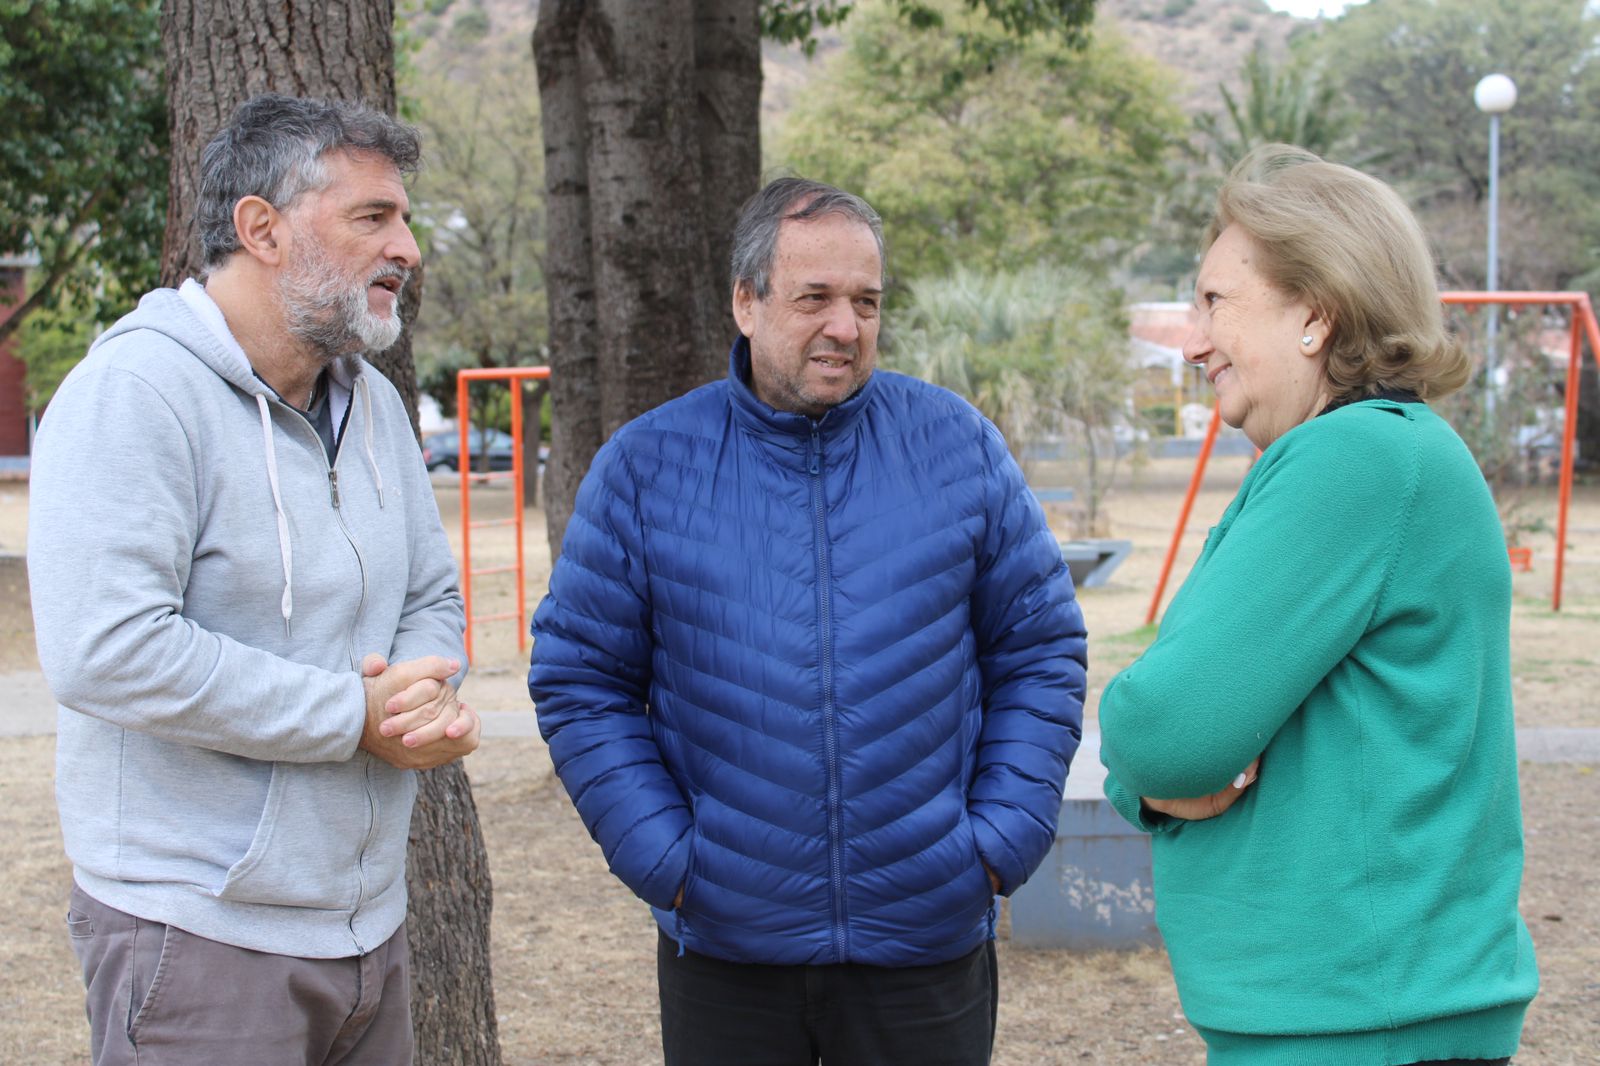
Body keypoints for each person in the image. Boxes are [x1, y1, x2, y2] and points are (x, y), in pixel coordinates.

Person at [528, 176, 1086, 1065]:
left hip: (927, 936)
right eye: (815, 298)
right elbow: (579, 679)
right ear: (746, 302)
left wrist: (997, 842)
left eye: (867, 302)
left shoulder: (957, 446)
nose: (846, 327)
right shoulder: (645, 466)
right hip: (726, 945)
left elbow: (1040, 648)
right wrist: (670, 861)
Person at [28, 94, 480, 1066]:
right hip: (194, 935)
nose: (406, 246)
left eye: (403, 218)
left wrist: (417, 694)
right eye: (373, 217)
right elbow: (108, 651)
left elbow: (430, 598)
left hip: (367, 927)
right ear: (260, 228)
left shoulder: (375, 409)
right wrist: (349, 715)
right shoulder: (135, 394)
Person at [1098, 144, 1539, 1065]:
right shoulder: (1387, 456)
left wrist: (1144, 770)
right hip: (1373, 1006)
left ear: (1315, 314)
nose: (1193, 339)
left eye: (1216, 301)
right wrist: (1157, 777)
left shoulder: (1353, 460)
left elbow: (1163, 726)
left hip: (1355, 1021)